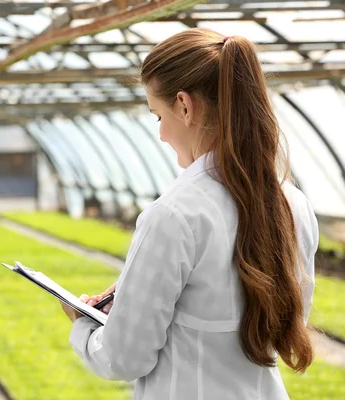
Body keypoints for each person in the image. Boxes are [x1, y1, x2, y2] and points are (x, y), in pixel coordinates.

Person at [59, 28, 318, 400]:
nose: (161, 135)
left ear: (184, 105)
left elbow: (123, 357)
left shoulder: (173, 215)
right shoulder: (294, 205)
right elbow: (282, 331)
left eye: (157, 116)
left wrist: (83, 324)